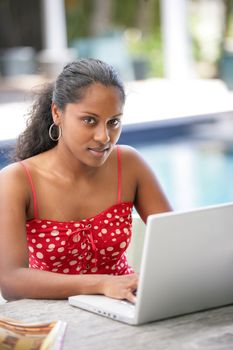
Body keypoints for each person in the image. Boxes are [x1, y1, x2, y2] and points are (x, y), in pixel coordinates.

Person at [0, 58, 171, 303]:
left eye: (113, 122)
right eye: (89, 120)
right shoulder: (17, 180)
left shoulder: (130, 165)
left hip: (125, 305)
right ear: (57, 113)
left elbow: (175, 244)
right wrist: (102, 283)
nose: (104, 137)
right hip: (50, 314)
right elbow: (11, 281)